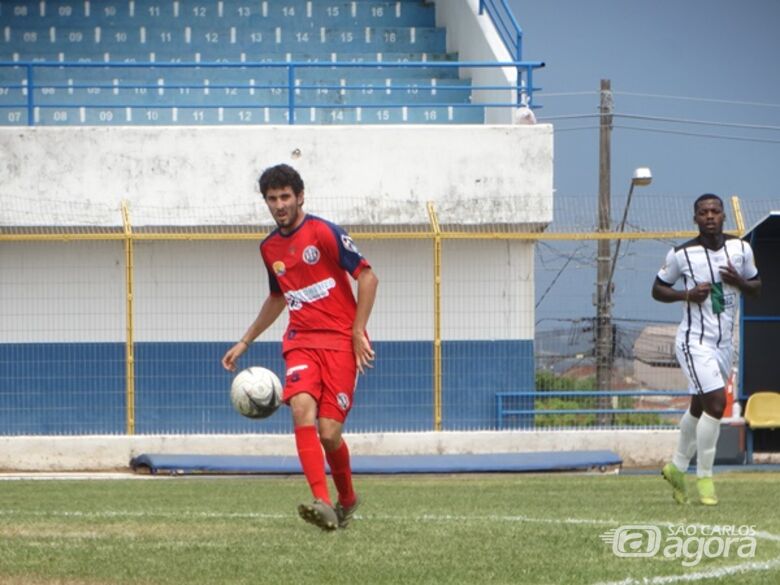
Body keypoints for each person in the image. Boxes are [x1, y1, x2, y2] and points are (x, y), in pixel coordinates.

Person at [222, 164, 378, 530]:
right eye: (272, 198)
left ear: (300, 196)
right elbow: (278, 297)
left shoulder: (323, 233)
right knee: (301, 410)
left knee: (329, 434)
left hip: (341, 341)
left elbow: (368, 276)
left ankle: (348, 498)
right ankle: (322, 502)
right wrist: (246, 340)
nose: (279, 205)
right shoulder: (269, 248)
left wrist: (358, 331)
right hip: (301, 342)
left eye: (285, 197)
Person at [652, 193, 760, 506]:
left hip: (724, 344)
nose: (710, 216)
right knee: (716, 402)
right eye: (703, 212)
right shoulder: (682, 254)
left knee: (699, 406)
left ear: (724, 215)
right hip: (693, 342)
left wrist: (738, 280)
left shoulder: (741, 249)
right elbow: (657, 289)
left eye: (715, 211)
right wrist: (686, 295)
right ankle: (705, 479)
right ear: (695, 218)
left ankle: (676, 467)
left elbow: (757, 288)